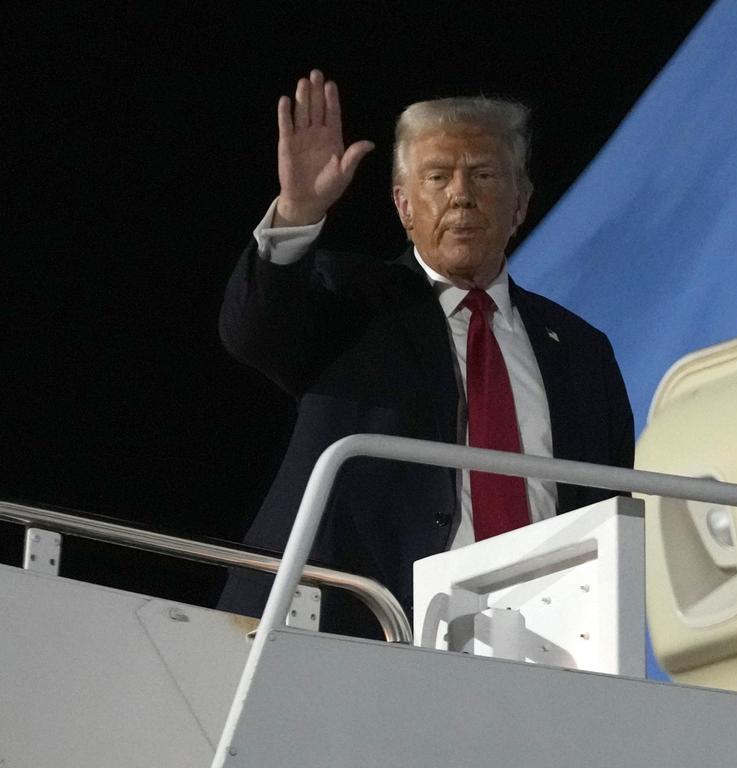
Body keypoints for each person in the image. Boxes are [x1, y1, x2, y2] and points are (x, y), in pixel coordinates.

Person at [218, 69, 634, 638]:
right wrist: (297, 211)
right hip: (358, 627)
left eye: (483, 174)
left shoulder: (582, 352)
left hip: (541, 641)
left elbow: (608, 509)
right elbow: (253, 331)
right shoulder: (351, 302)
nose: (460, 193)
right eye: (438, 177)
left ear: (521, 204)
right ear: (404, 206)